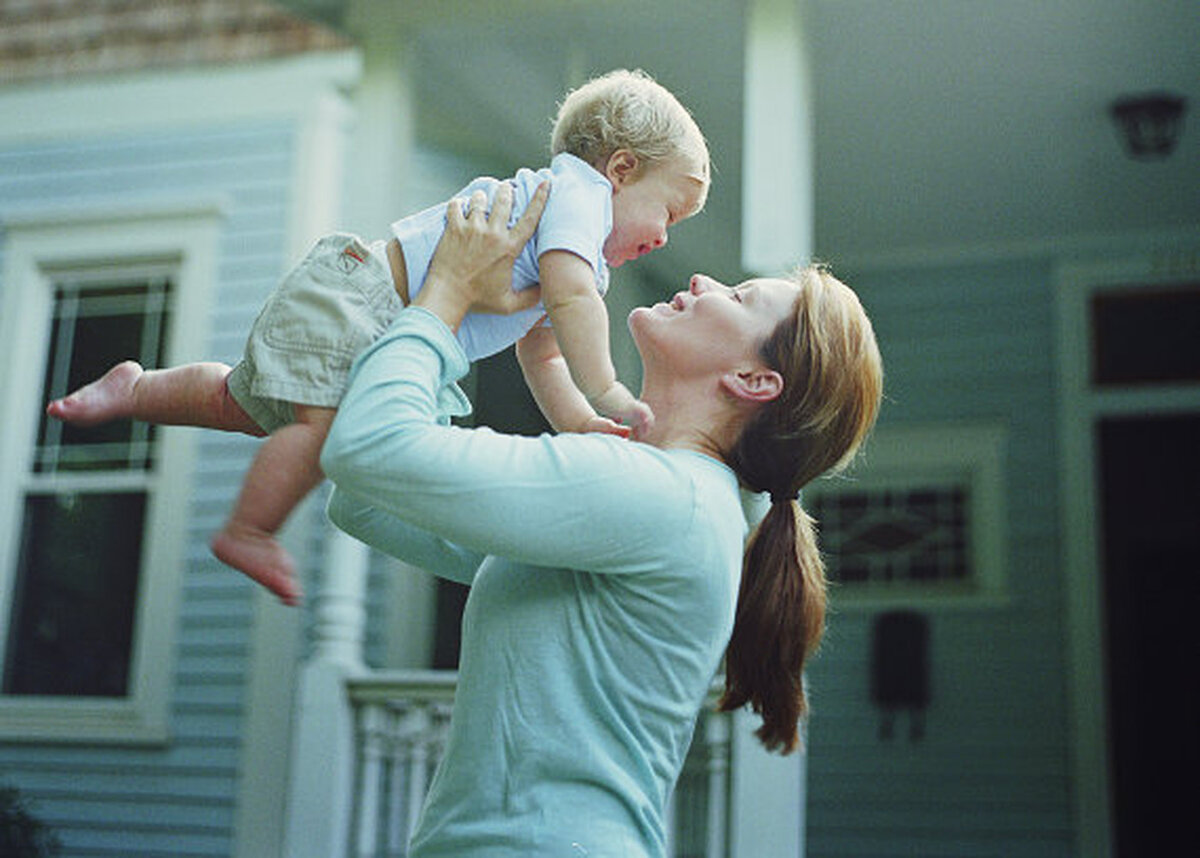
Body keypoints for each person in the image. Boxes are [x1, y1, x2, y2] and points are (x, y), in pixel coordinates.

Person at [319, 181, 883, 856]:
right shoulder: (664, 501)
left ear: (754, 382)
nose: (703, 280)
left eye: (738, 298)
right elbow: (365, 500)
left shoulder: (663, 499)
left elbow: (369, 451)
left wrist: (446, 294)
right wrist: (471, 328)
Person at [44, 69, 710, 605]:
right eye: (669, 211)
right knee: (324, 431)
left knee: (239, 405)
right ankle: (249, 529)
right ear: (619, 169)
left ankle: (137, 388)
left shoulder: (578, 244)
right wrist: (612, 389)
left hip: (364, 310)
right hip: (362, 302)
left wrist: (579, 421)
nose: (664, 236)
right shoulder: (578, 197)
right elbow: (569, 304)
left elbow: (545, 351)